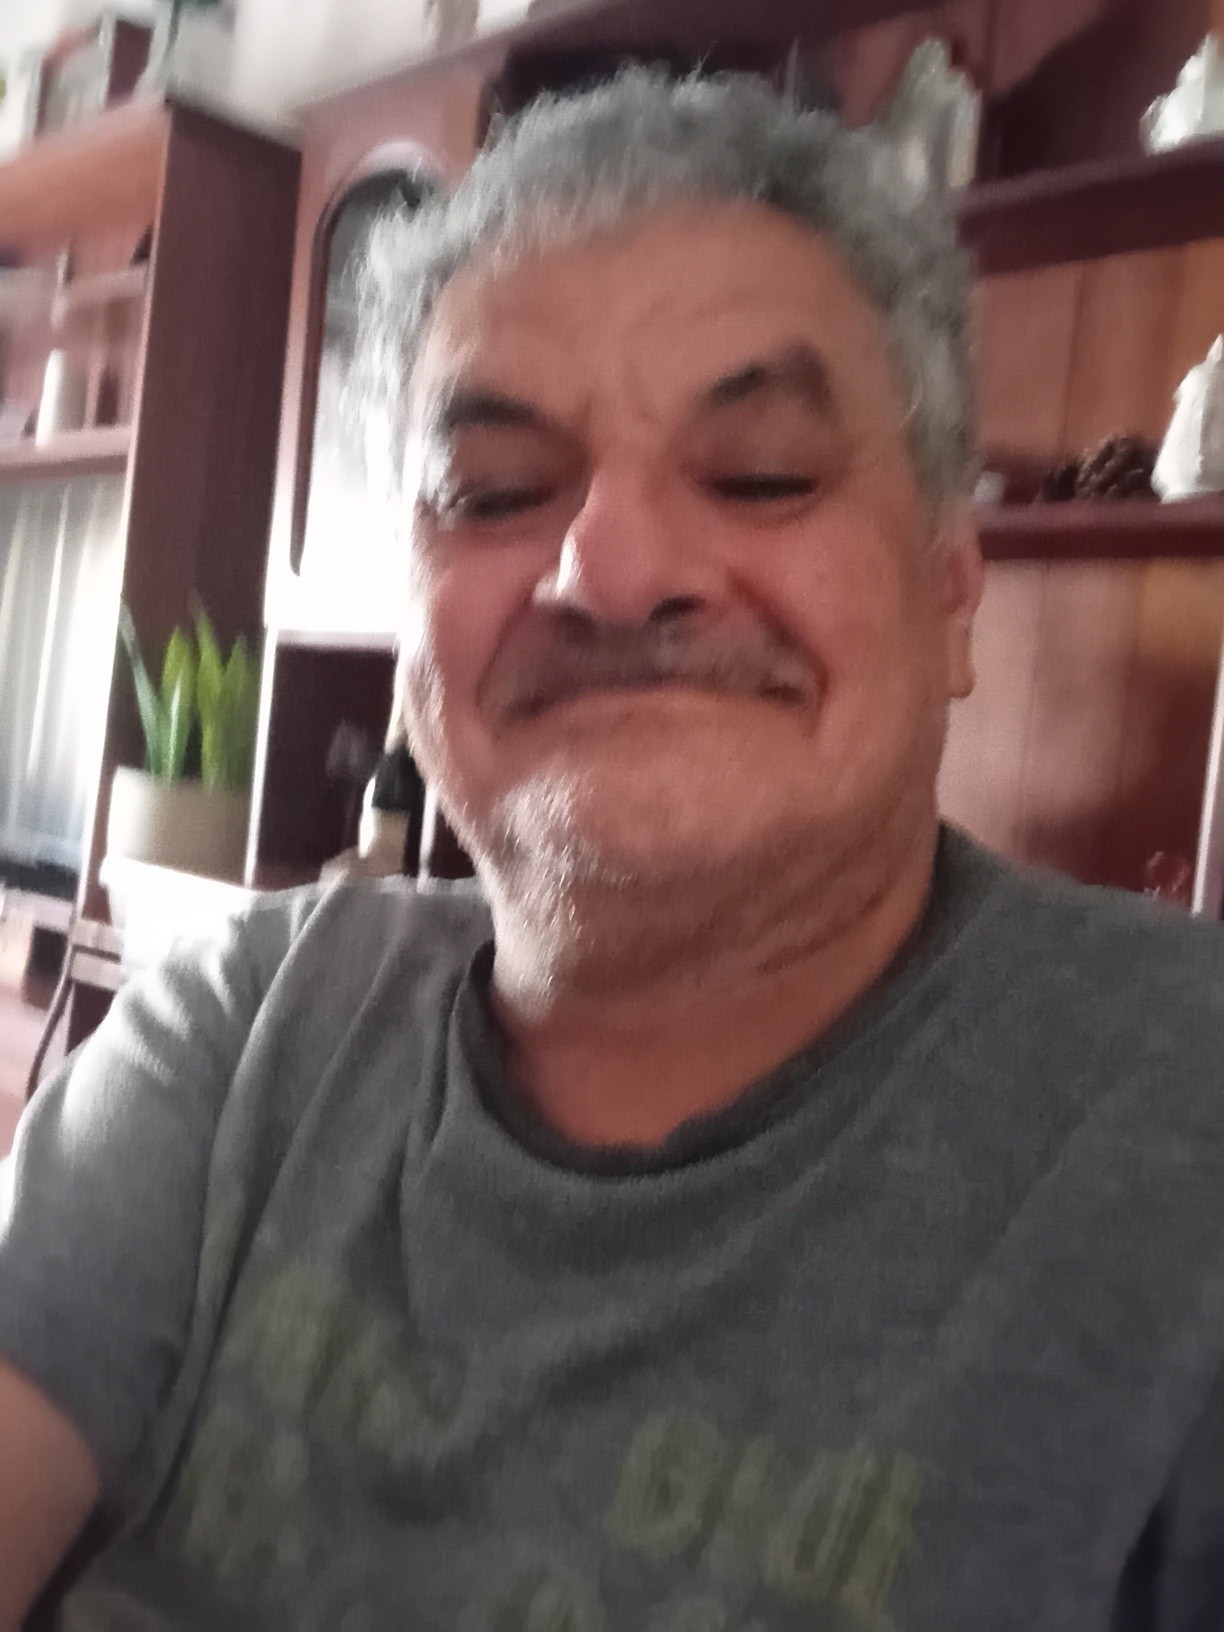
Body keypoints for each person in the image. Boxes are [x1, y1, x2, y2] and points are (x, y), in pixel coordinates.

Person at [2, 69, 1223, 1632]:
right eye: (495, 491)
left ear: (949, 594)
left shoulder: (1179, 1123)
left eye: (763, 473)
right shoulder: (250, 1022)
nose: (613, 567)